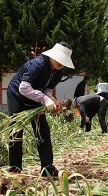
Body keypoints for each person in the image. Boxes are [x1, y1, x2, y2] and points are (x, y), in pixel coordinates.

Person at [6, 42, 74, 176]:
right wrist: (44, 99)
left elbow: (47, 90)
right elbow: (24, 88)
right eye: (60, 59)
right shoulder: (37, 64)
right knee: (16, 132)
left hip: (35, 99)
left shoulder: (58, 73)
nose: (61, 63)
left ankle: (47, 167)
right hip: (17, 96)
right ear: (53, 55)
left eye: (64, 61)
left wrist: (50, 100)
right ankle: (15, 168)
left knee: (43, 131)